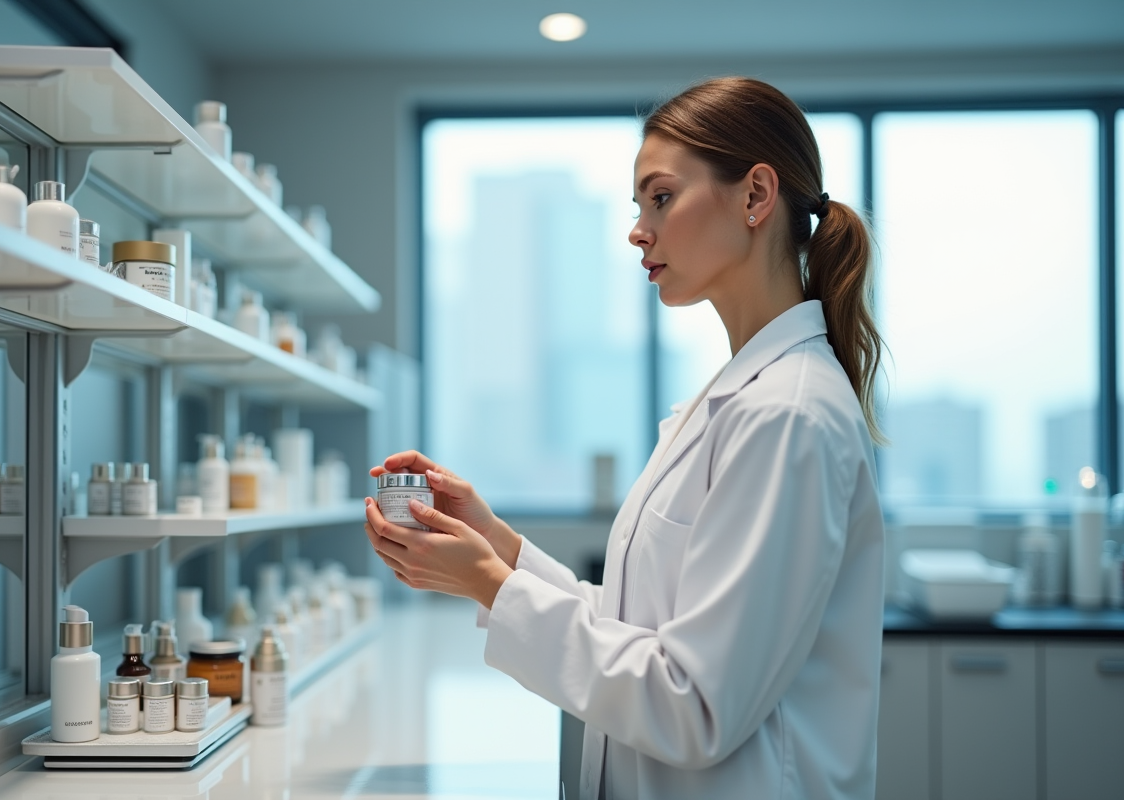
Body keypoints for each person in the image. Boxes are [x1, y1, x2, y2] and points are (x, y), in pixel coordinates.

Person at [364, 76, 885, 800]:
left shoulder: (786, 415)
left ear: (756, 197)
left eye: (661, 198)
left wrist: (486, 581)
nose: (638, 229)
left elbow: (694, 705)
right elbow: (636, 630)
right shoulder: (735, 399)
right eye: (638, 206)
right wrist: (499, 546)